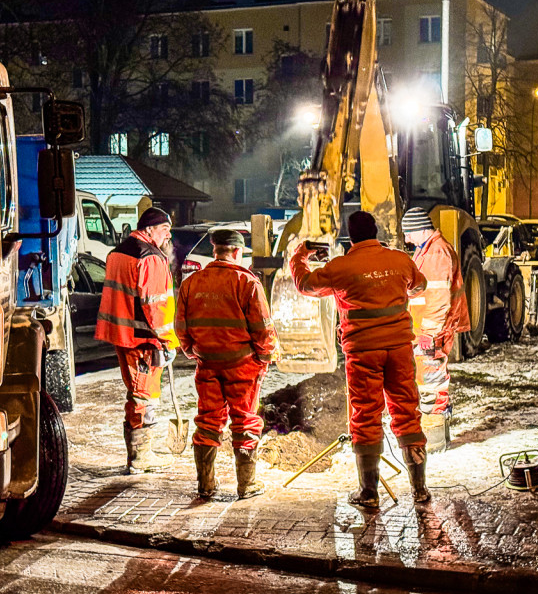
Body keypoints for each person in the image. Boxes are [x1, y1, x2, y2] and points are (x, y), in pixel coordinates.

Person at [290, 211, 430, 506]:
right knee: (406, 411)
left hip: (363, 354)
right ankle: (419, 489)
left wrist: (299, 256)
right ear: (376, 231)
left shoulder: (341, 267)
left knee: (366, 416)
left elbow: (305, 285)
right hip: (400, 350)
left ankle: (369, 493)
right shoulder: (399, 260)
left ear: (349, 236)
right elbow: (420, 285)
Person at [175, 229, 280, 500]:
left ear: (215, 251)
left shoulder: (192, 283)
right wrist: (266, 357)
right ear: (237, 252)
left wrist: (194, 351)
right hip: (242, 366)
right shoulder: (247, 282)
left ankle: (205, 485)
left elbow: (181, 327)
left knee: (208, 421)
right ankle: (247, 486)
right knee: (244, 421)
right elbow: (263, 329)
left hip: (207, 364)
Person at [96, 207, 179, 474]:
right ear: (148, 230)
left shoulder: (118, 252)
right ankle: (141, 457)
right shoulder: (151, 258)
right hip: (144, 340)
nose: (168, 236)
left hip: (121, 335)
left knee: (135, 393)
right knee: (144, 396)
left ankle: (138, 455)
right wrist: (169, 340)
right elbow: (155, 306)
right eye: (164, 230)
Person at [401, 207, 470, 453]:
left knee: (431, 382)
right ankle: (437, 436)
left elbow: (439, 297)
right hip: (427, 329)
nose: (407, 239)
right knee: (430, 380)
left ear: (420, 229)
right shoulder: (429, 250)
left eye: (408, 233)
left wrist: (428, 333)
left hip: (431, 331)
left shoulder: (437, 252)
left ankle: (434, 441)